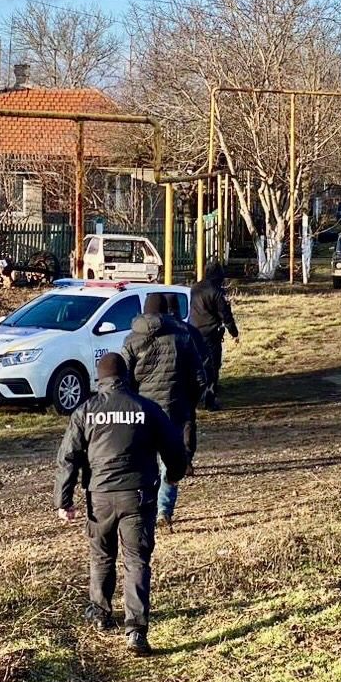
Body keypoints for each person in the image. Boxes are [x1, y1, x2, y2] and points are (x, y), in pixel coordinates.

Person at [54, 352, 188, 657]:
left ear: (99, 379)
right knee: (136, 560)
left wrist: (64, 500)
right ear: (126, 377)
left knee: (101, 554)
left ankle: (100, 613)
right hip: (137, 496)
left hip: (99, 497)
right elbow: (173, 447)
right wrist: (175, 474)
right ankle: (136, 630)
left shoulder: (85, 411)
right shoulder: (146, 408)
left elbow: (68, 458)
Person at [121, 293, 206, 528]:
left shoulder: (131, 339)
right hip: (175, 407)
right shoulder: (182, 336)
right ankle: (164, 511)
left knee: (143, 460)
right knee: (170, 461)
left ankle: (143, 507)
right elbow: (200, 378)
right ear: (166, 310)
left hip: (142, 410)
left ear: (144, 311)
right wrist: (189, 405)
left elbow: (123, 380)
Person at [189, 261, 240, 411]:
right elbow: (225, 315)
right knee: (212, 367)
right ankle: (210, 400)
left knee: (197, 366)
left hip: (194, 332)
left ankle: (197, 397)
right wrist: (234, 333)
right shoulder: (217, 292)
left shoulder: (195, 288)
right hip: (211, 334)